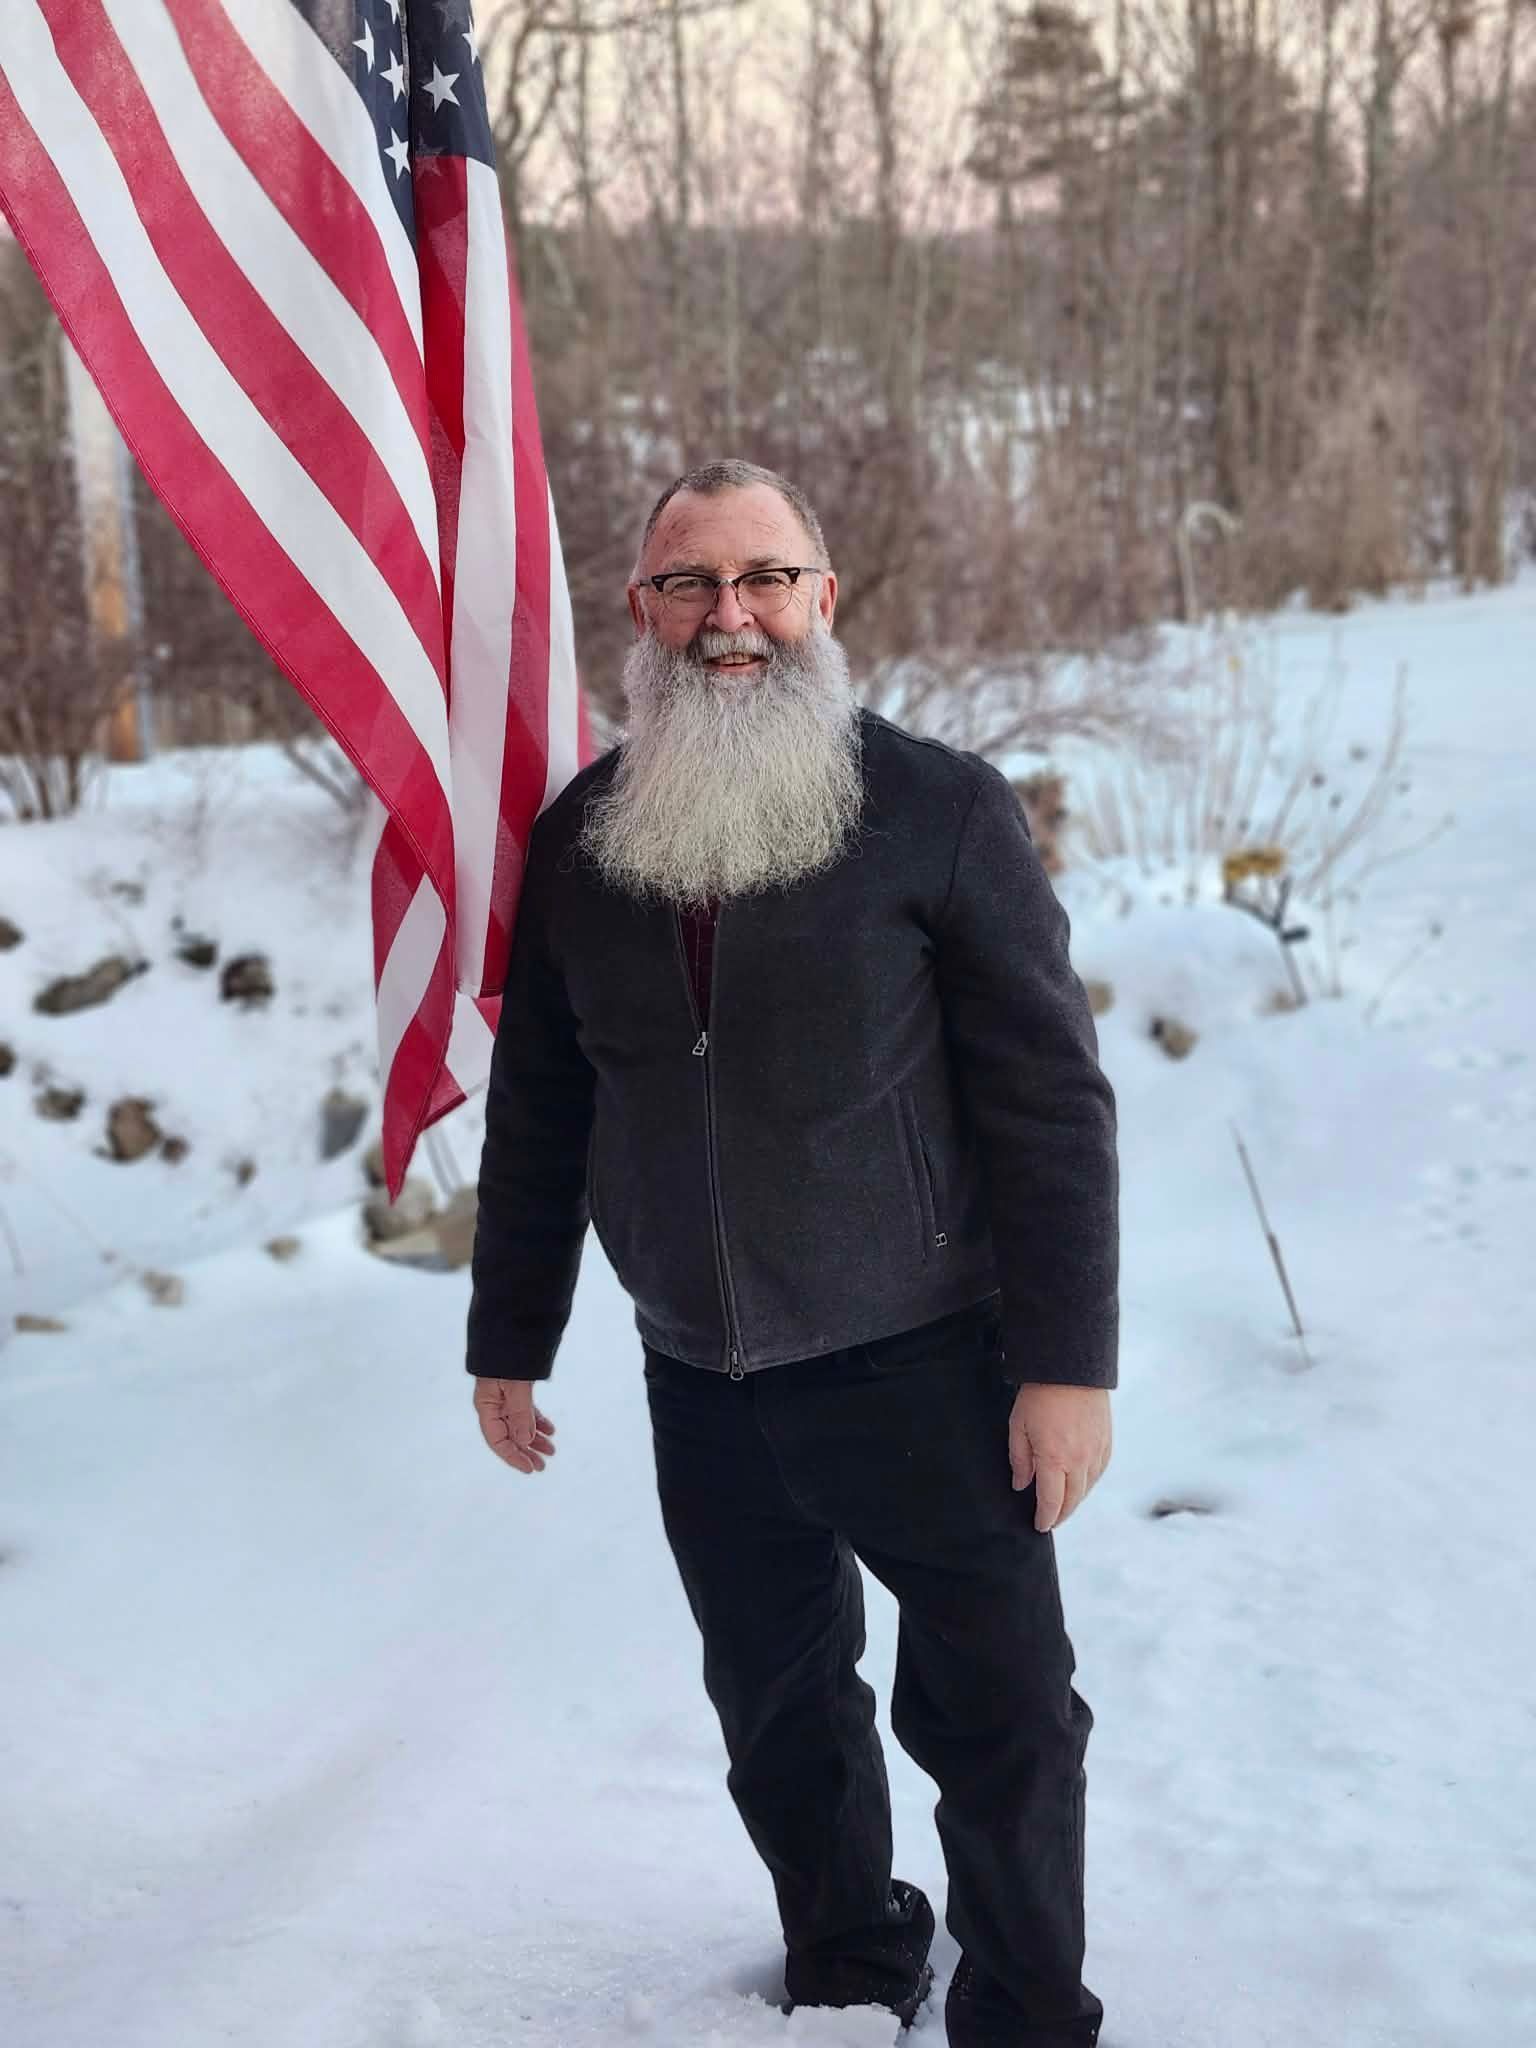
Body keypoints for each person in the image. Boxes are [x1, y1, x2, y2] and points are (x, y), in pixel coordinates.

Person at [466, 459, 1119, 2047]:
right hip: (701, 1373)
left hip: (927, 1361)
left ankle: (1028, 2008)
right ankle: (845, 1955)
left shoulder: (940, 812)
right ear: (641, 615)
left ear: (824, 600)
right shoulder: (584, 839)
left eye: (764, 579)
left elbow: (1050, 1103)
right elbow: (546, 1100)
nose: (728, 617)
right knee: (778, 1709)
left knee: (1004, 1716)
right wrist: (511, 1331)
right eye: (691, 584)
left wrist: (1068, 1368)